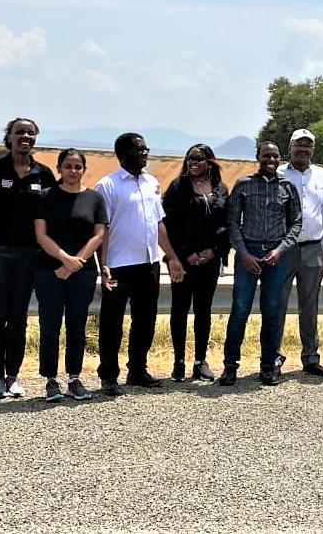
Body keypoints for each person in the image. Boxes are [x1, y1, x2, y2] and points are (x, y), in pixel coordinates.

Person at [94, 133, 185, 396]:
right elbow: (103, 229)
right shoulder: (107, 185)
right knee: (112, 321)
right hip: (119, 264)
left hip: (148, 262)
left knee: (145, 319)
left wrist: (172, 256)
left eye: (146, 148)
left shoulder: (151, 182)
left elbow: (158, 224)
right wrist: (104, 265)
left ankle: (137, 369)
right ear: (122, 154)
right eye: (138, 149)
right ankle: (109, 374)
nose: (145, 153)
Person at [0, 117, 58, 398]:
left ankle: (13, 375)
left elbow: (52, 216)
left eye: (30, 132)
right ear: (9, 137)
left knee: (19, 317)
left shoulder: (44, 174)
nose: (25, 136)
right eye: (19, 132)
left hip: (28, 254)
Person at [219, 141, 302, 386]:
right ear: (258, 156)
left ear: (280, 158)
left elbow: (296, 223)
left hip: (275, 256)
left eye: (275, 156)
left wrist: (280, 250)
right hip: (248, 254)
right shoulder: (244, 185)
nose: (271, 160)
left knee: (272, 312)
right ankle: (230, 366)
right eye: (267, 155)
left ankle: (268, 366)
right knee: (240, 311)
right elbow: (232, 222)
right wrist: (243, 254)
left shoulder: (288, 186)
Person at [33, 149, 108, 402]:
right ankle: (50, 380)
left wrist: (76, 263)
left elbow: (98, 235)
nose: (73, 171)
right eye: (68, 166)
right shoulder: (45, 197)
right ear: (59, 169)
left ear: (84, 169)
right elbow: (41, 235)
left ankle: (74, 378)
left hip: (83, 272)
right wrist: (65, 259)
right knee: (50, 327)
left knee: (77, 328)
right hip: (49, 270)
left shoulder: (95, 199)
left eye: (77, 166)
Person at [162, 144, 230, 382]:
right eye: (190, 158)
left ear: (210, 162)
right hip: (183, 261)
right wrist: (185, 253)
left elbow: (226, 225)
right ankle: (178, 360)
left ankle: (200, 361)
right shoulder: (177, 188)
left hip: (209, 261)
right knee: (179, 309)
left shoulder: (221, 189)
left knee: (203, 311)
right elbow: (167, 224)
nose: (194, 163)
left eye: (199, 159)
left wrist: (213, 251)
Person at [275, 129, 323, 376]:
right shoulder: (278, 173)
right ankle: (273, 356)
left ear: (313, 150)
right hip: (284, 250)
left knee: (310, 306)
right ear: (289, 148)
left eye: (307, 146)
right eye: (298, 145)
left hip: (313, 248)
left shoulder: (321, 174)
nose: (303, 149)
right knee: (277, 304)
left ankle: (310, 357)